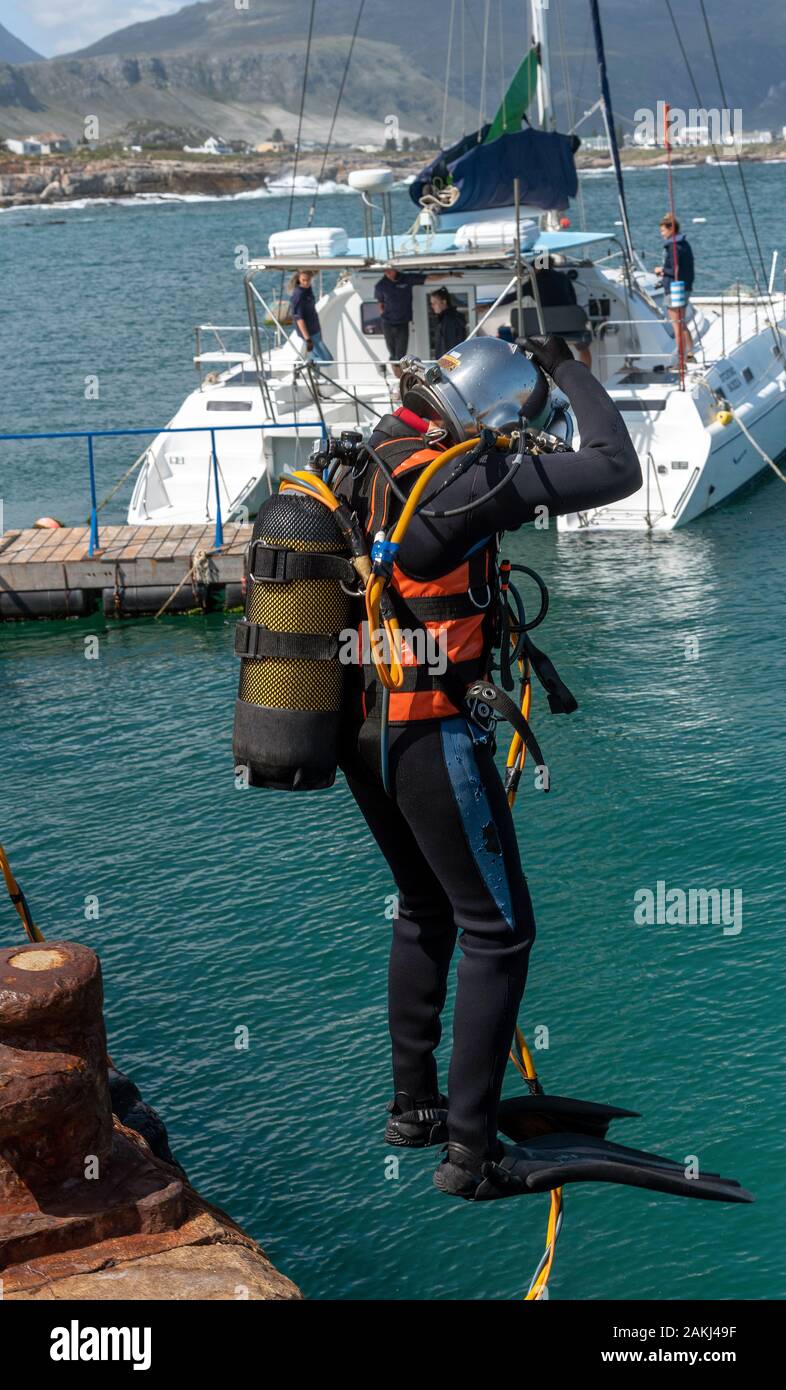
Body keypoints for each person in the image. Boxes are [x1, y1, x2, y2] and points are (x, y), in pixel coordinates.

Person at [333, 335, 645, 1197]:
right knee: (502, 934)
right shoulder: (465, 481)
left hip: (362, 723)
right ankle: (474, 1155)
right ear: (491, 413)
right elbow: (617, 468)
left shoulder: (376, 452)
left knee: (426, 907)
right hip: (429, 730)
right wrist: (572, 365)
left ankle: (416, 1108)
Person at [374, 264, 461, 370]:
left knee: (400, 353)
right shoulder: (380, 285)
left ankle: (401, 373)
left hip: (403, 322)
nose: (387, 272)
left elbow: (429, 278)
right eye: (385, 270)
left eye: (389, 270)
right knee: (394, 355)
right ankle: (398, 373)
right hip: (387, 322)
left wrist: (449, 274)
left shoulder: (407, 279)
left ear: (395, 269)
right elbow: (380, 305)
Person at [654, 215, 695, 360]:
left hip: (674, 289)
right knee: (682, 323)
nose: (662, 234)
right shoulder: (684, 243)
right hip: (685, 286)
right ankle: (690, 352)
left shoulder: (673, 247)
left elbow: (674, 270)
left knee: (677, 325)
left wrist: (662, 270)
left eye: (663, 231)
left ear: (671, 229)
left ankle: (681, 357)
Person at [288, 269, 331, 361]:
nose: (306, 283)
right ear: (299, 279)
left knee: (315, 356)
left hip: (315, 330)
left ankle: (311, 367)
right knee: (326, 360)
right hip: (310, 333)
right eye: (304, 280)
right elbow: (299, 319)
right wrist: (308, 339)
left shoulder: (307, 289)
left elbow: (314, 272)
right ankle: (305, 363)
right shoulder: (298, 296)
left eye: (308, 280)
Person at [430, 287, 467, 357]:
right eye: (431, 303)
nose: (432, 306)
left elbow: (450, 345)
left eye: (434, 303)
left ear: (444, 302)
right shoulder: (445, 318)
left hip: (449, 363)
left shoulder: (449, 320)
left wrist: (443, 365)